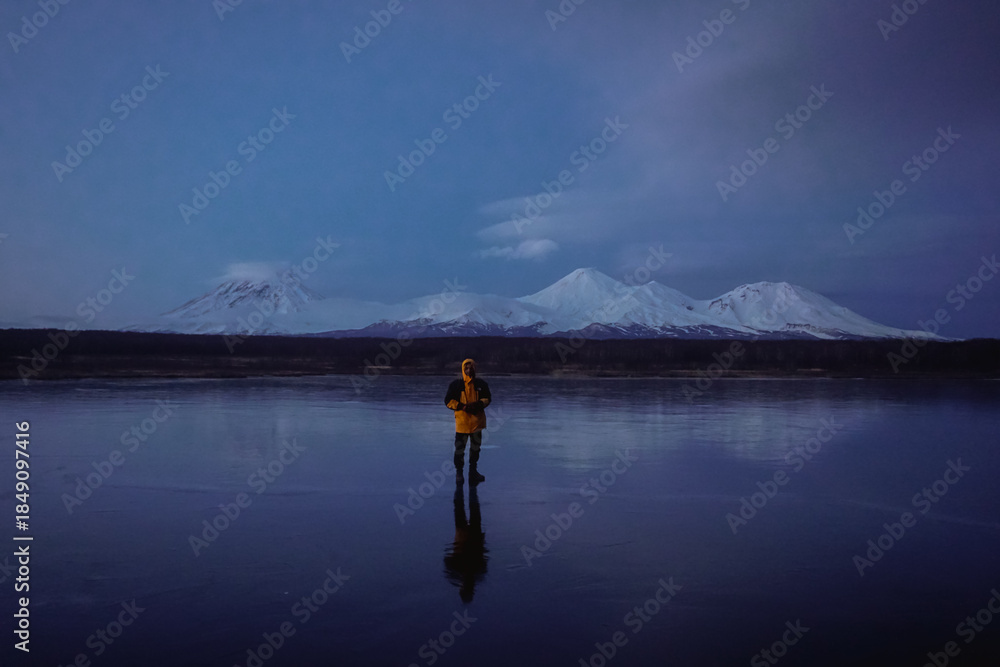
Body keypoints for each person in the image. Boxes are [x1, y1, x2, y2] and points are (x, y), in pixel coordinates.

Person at [444, 358, 491, 484]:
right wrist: (462, 407)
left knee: (475, 449)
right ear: (463, 369)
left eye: (471, 368)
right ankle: (459, 473)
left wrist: (477, 404)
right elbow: (448, 401)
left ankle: (473, 472)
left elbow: (488, 398)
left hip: (477, 423)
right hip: (462, 424)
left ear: (474, 369)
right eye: (466, 368)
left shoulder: (481, 384)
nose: (469, 370)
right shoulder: (456, 385)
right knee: (459, 450)